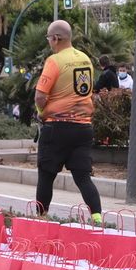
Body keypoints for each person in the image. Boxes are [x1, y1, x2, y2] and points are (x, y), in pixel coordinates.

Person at [32, 20, 104, 221]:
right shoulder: (85, 59)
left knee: (46, 175)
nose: (49, 42)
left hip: (57, 127)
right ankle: (97, 218)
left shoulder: (54, 61)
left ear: (55, 38)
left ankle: (41, 217)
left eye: (49, 38)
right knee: (83, 178)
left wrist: (41, 112)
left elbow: (39, 95)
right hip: (83, 128)